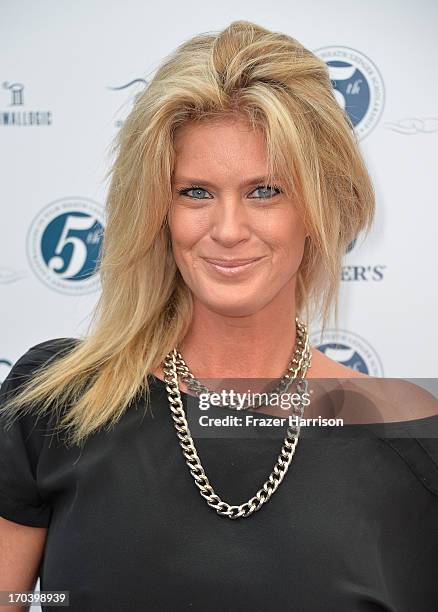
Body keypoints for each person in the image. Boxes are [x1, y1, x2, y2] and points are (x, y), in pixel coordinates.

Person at [1, 20, 437, 612]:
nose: (228, 231)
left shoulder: (408, 440)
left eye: (265, 191)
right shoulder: (54, 405)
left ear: (319, 208)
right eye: (196, 193)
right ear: (158, 211)